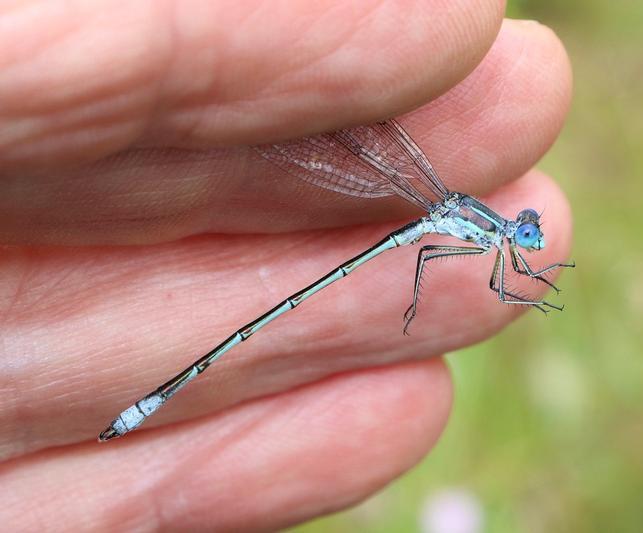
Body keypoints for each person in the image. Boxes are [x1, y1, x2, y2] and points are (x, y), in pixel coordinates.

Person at [0, 1, 572, 530]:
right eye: (525, 236)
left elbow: (478, 273)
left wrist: (530, 288)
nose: (525, 242)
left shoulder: (485, 239)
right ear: (508, 232)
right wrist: (529, 290)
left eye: (524, 238)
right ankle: (147, 402)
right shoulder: (482, 235)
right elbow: (487, 280)